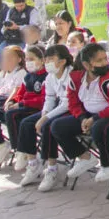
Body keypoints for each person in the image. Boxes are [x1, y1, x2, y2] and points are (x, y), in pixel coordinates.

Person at [50, 43, 109, 183]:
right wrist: (82, 119)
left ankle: (108, 164)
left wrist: (94, 119)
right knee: (57, 126)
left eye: (105, 58)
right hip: (89, 115)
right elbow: (73, 103)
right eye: (99, 61)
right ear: (86, 65)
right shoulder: (76, 78)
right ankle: (85, 158)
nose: (104, 63)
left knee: (98, 128)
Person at [17, 45, 75, 190]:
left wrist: (45, 118)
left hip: (72, 109)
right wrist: (43, 114)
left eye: (51, 59)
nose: (47, 62)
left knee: (48, 126)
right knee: (26, 123)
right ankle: (33, 164)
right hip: (56, 107)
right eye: (46, 59)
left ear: (62, 61)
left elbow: (67, 104)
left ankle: (52, 168)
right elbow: (49, 98)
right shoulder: (50, 76)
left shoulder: (72, 75)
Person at [0, 45, 49, 168]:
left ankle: (19, 149)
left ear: (42, 60)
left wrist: (21, 103)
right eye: (27, 59)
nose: (28, 62)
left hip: (36, 108)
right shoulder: (28, 76)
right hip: (24, 106)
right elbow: (20, 93)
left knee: (12, 115)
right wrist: (12, 101)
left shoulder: (45, 76)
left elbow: (42, 99)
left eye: (32, 59)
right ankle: (9, 146)